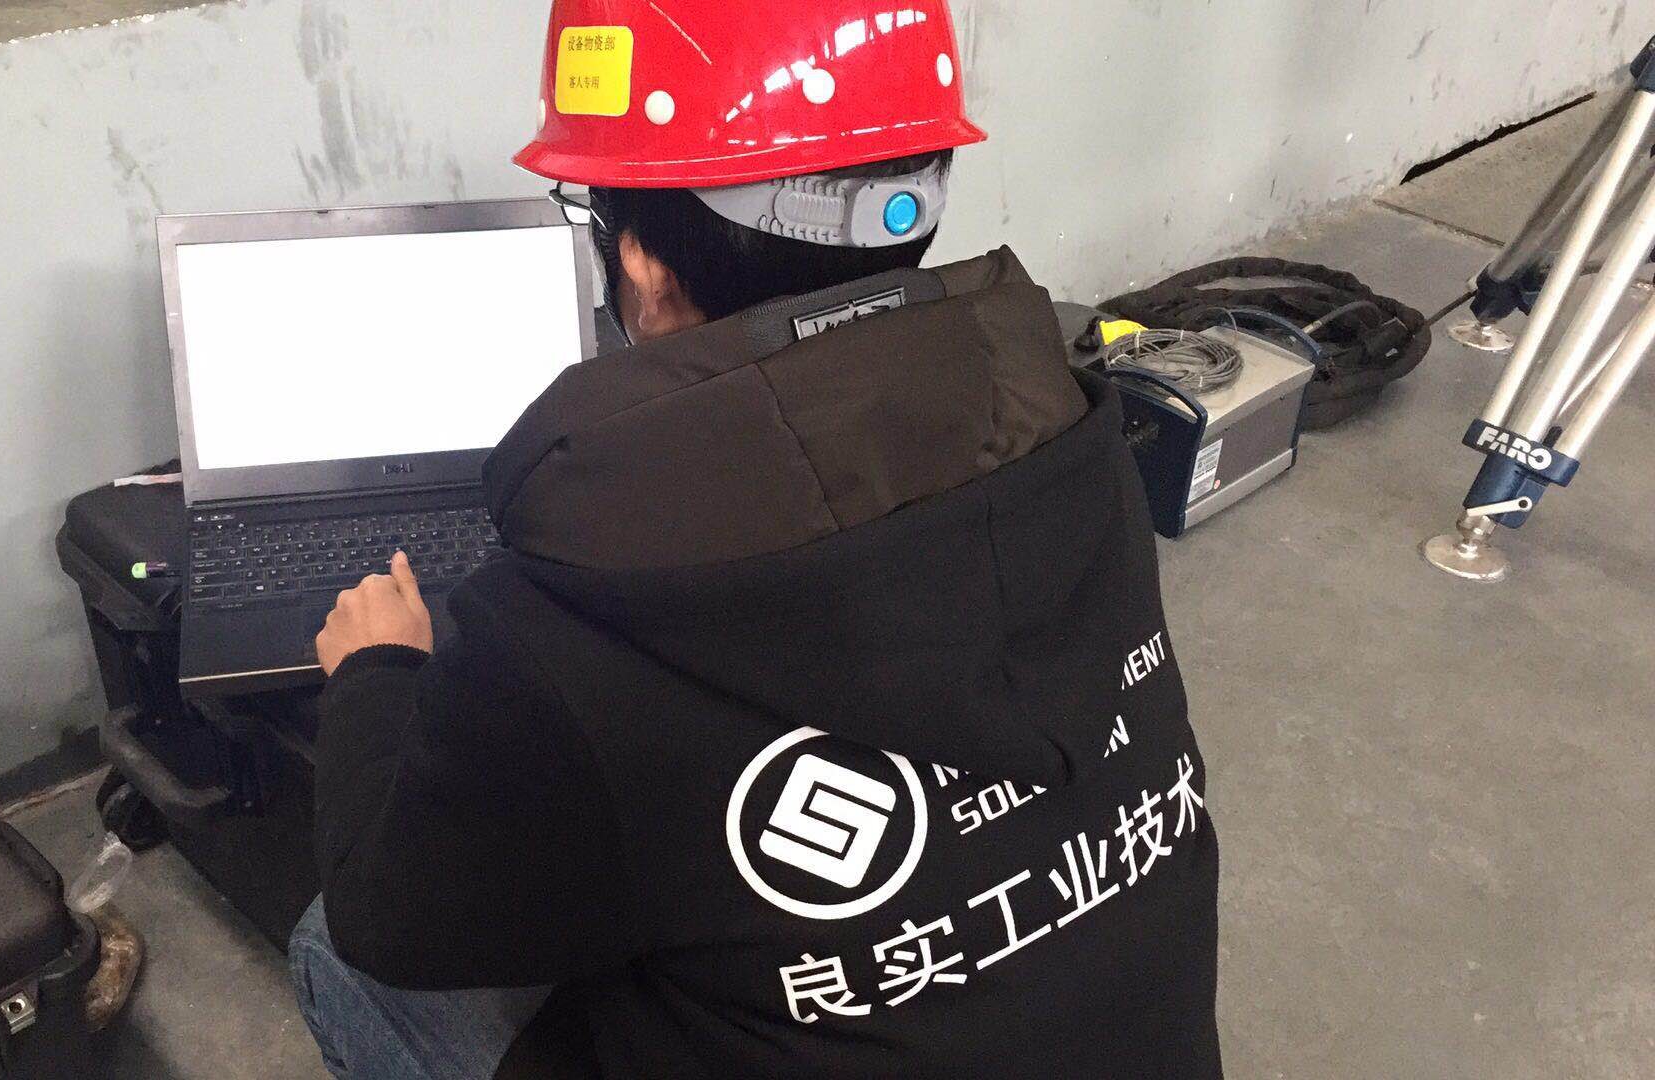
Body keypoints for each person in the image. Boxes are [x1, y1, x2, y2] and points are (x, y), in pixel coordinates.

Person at [289, 2, 1222, 1077]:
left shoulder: (584, 605)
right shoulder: (1078, 439)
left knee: (332, 950)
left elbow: (390, 915)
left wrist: (375, 674)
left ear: (645, 268)